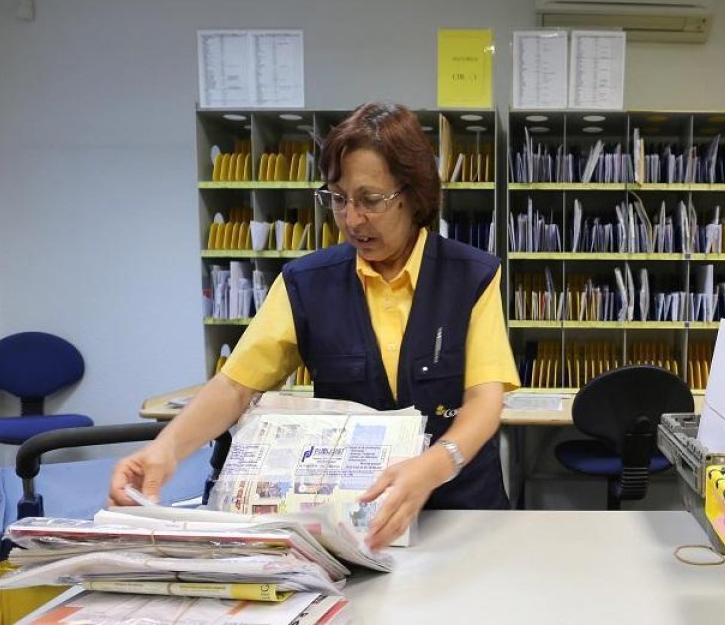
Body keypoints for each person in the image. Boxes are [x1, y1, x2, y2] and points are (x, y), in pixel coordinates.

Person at [109, 101, 520, 551]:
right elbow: (236, 386)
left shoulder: (471, 275)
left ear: (414, 194)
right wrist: (165, 450)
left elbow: (484, 401)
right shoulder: (306, 283)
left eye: (370, 200)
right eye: (338, 198)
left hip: (460, 516)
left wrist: (434, 465)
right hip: (353, 524)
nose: (352, 219)